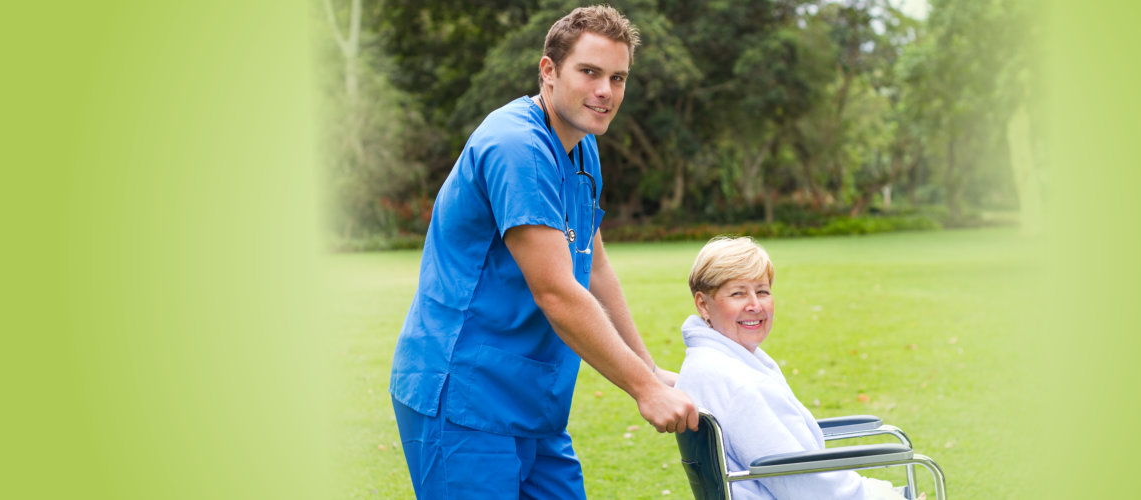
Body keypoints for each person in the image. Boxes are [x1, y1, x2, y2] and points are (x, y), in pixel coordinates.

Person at [387, 5, 698, 499]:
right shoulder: (517, 147)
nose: (605, 91)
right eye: (590, 72)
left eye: (618, 78)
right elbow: (556, 291)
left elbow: (593, 266)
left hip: (531, 403)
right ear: (548, 71)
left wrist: (649, 368)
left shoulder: (582, 144)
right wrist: (644, 390)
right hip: (465, 397)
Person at [675, 236, 908, 500]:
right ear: (703, 304)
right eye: (738, 293)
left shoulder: (706, 363)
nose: (755, 305)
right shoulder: (739, 383)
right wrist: (888, 495)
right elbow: (804, 484)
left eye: (762, 291)